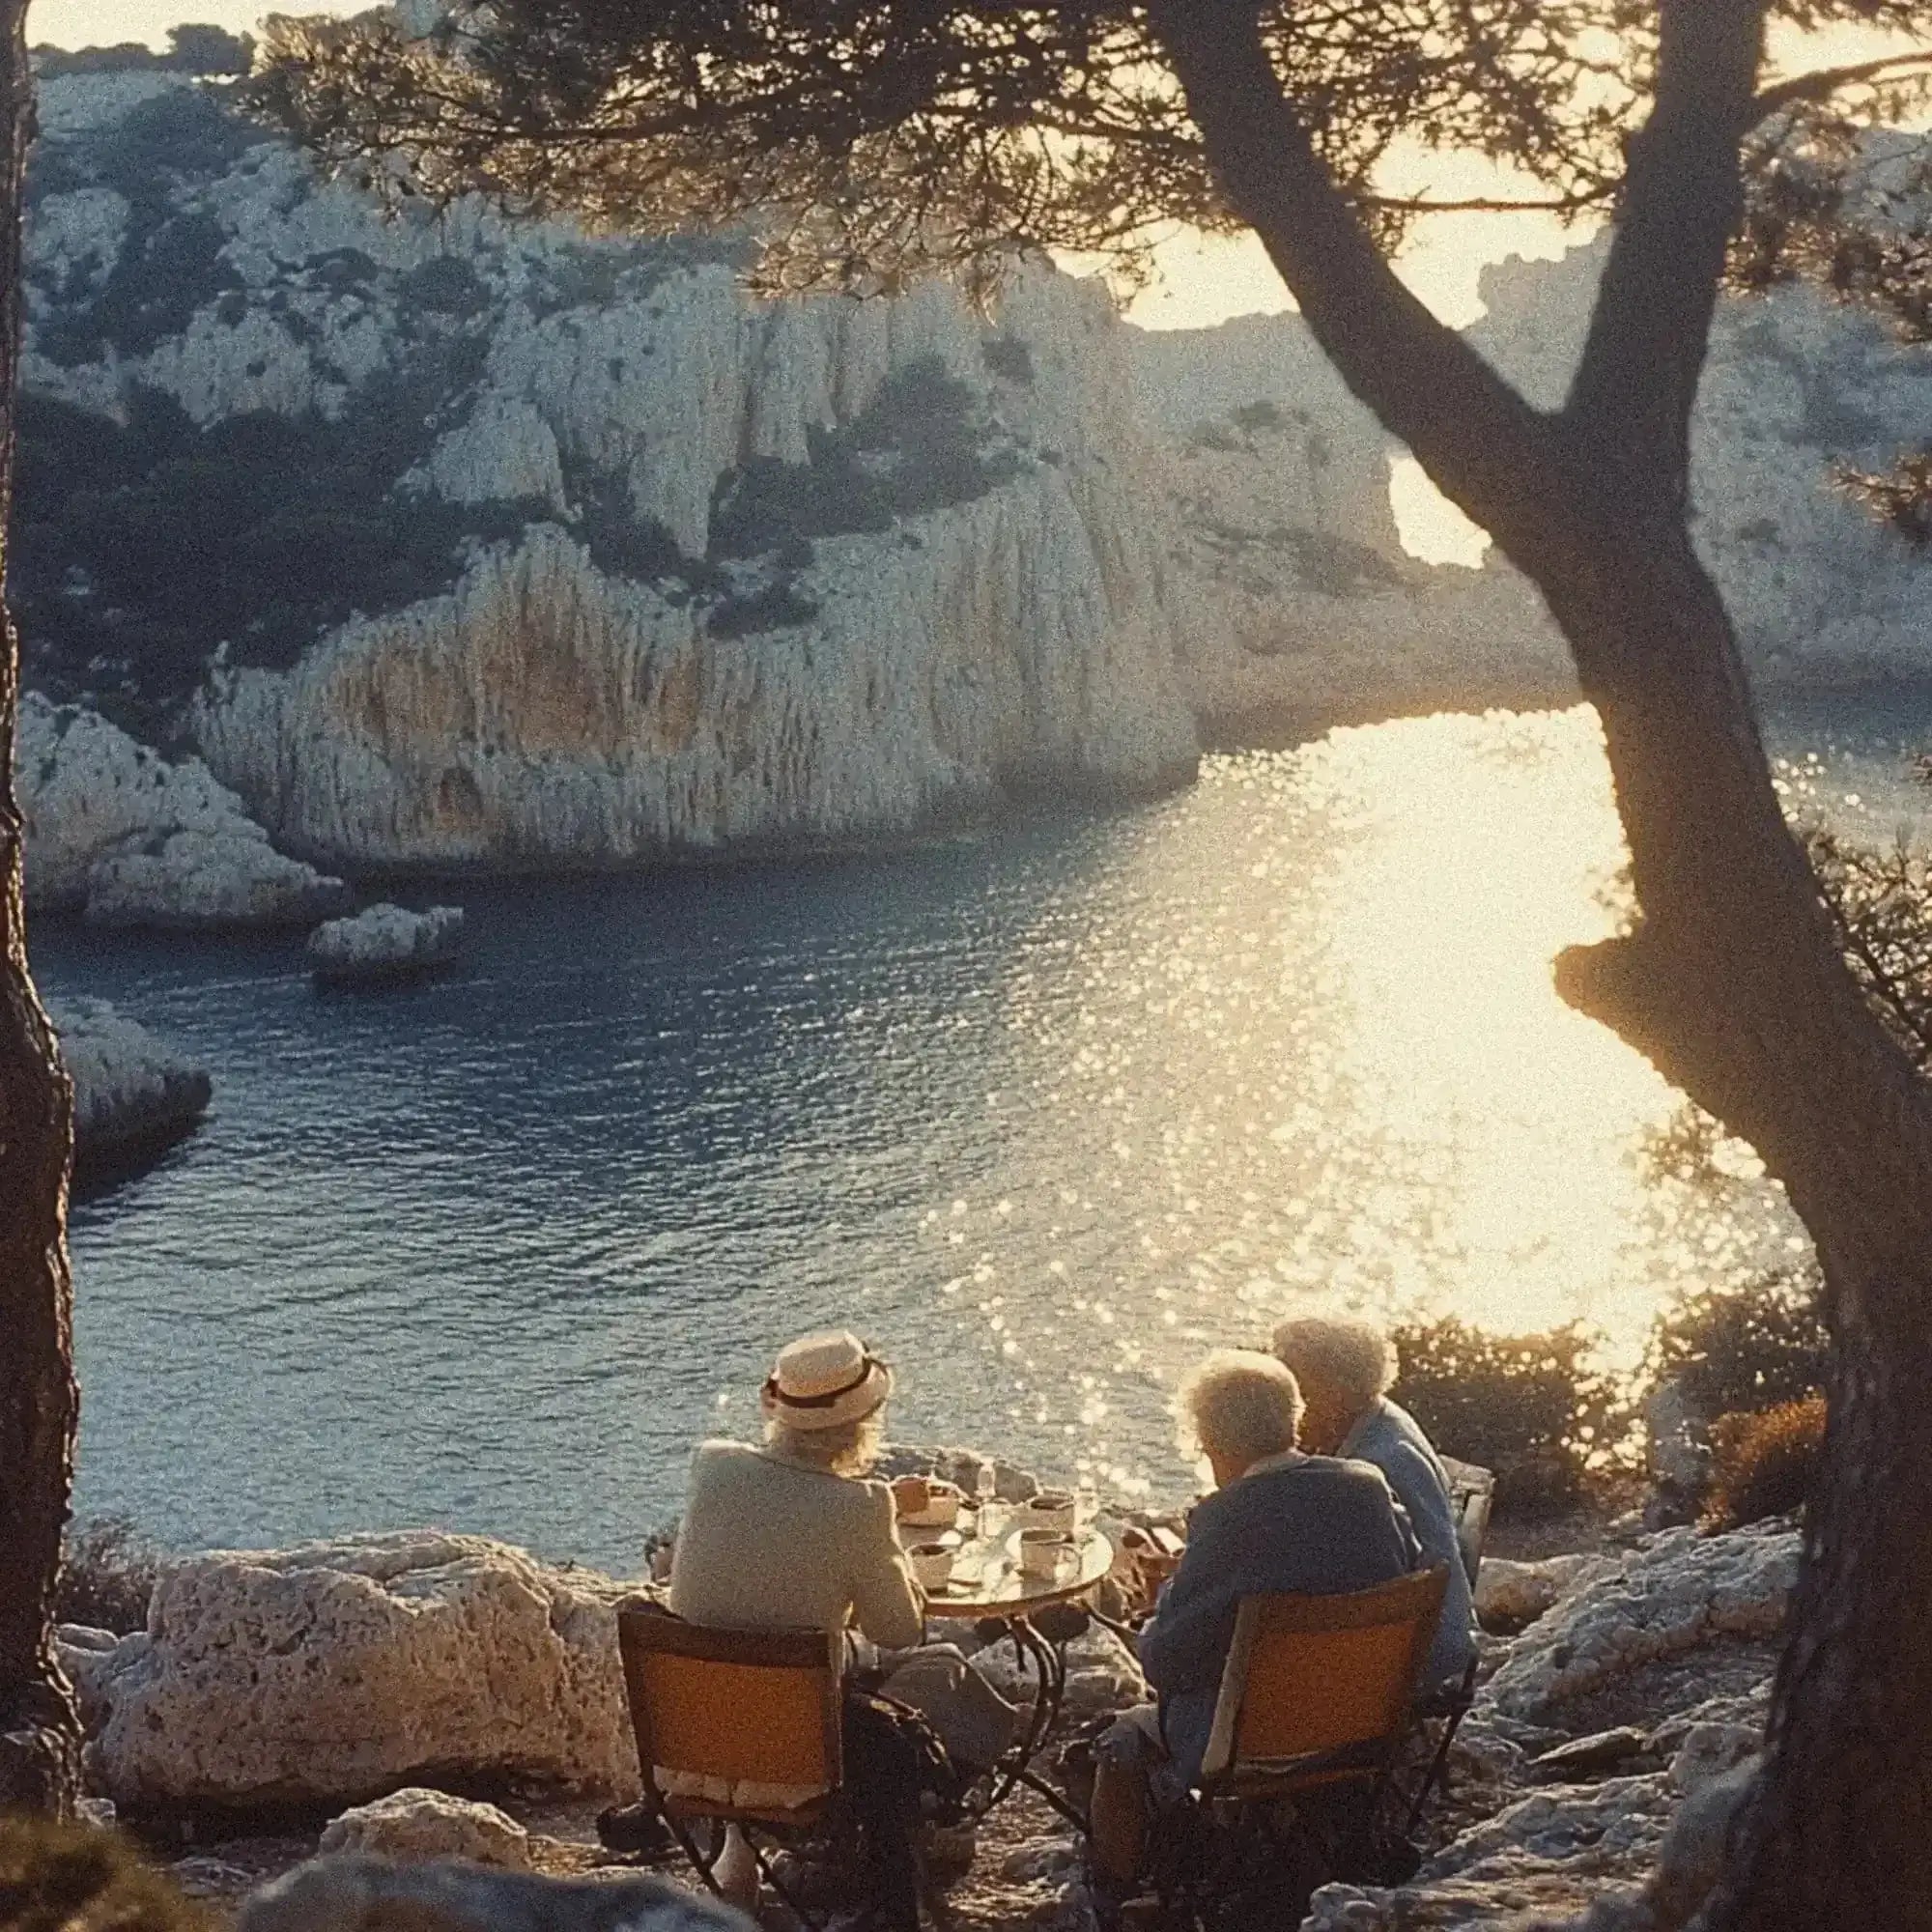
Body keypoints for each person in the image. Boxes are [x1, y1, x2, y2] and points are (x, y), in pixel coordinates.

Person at [664, 1330, 1017, 1929]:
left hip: (695, 1740)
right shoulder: (861, 1508)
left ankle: (741, 1849)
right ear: (864, 1425)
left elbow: (773, 1530)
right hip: (797, 1751)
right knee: (925, 1696)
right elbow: (900, 1629)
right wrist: (887, 1542)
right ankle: (895, 1900)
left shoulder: (713, 1464)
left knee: (787, 1668)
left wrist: (873, 1517)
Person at [1088, 1350, 1420, 1900]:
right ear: (1294, 1419)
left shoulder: (1226, 1517)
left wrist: (1165, 1598)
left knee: (1122, 1739)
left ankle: (1115, 1896)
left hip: (1254, 1744)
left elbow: (1164, 1664)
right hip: (1364, 1724)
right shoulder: (1367, 1486)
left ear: (1213, 1446)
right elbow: (1398, 1575)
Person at [1270, 1316, 1478, 1697]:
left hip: (1410, 1660)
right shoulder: (1382, 1418)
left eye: (1297, 1384)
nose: (1289, 1402)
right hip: (1427, 1637)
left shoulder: (1376, 1469)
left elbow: (1351, 1580)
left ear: (1337, 1387)